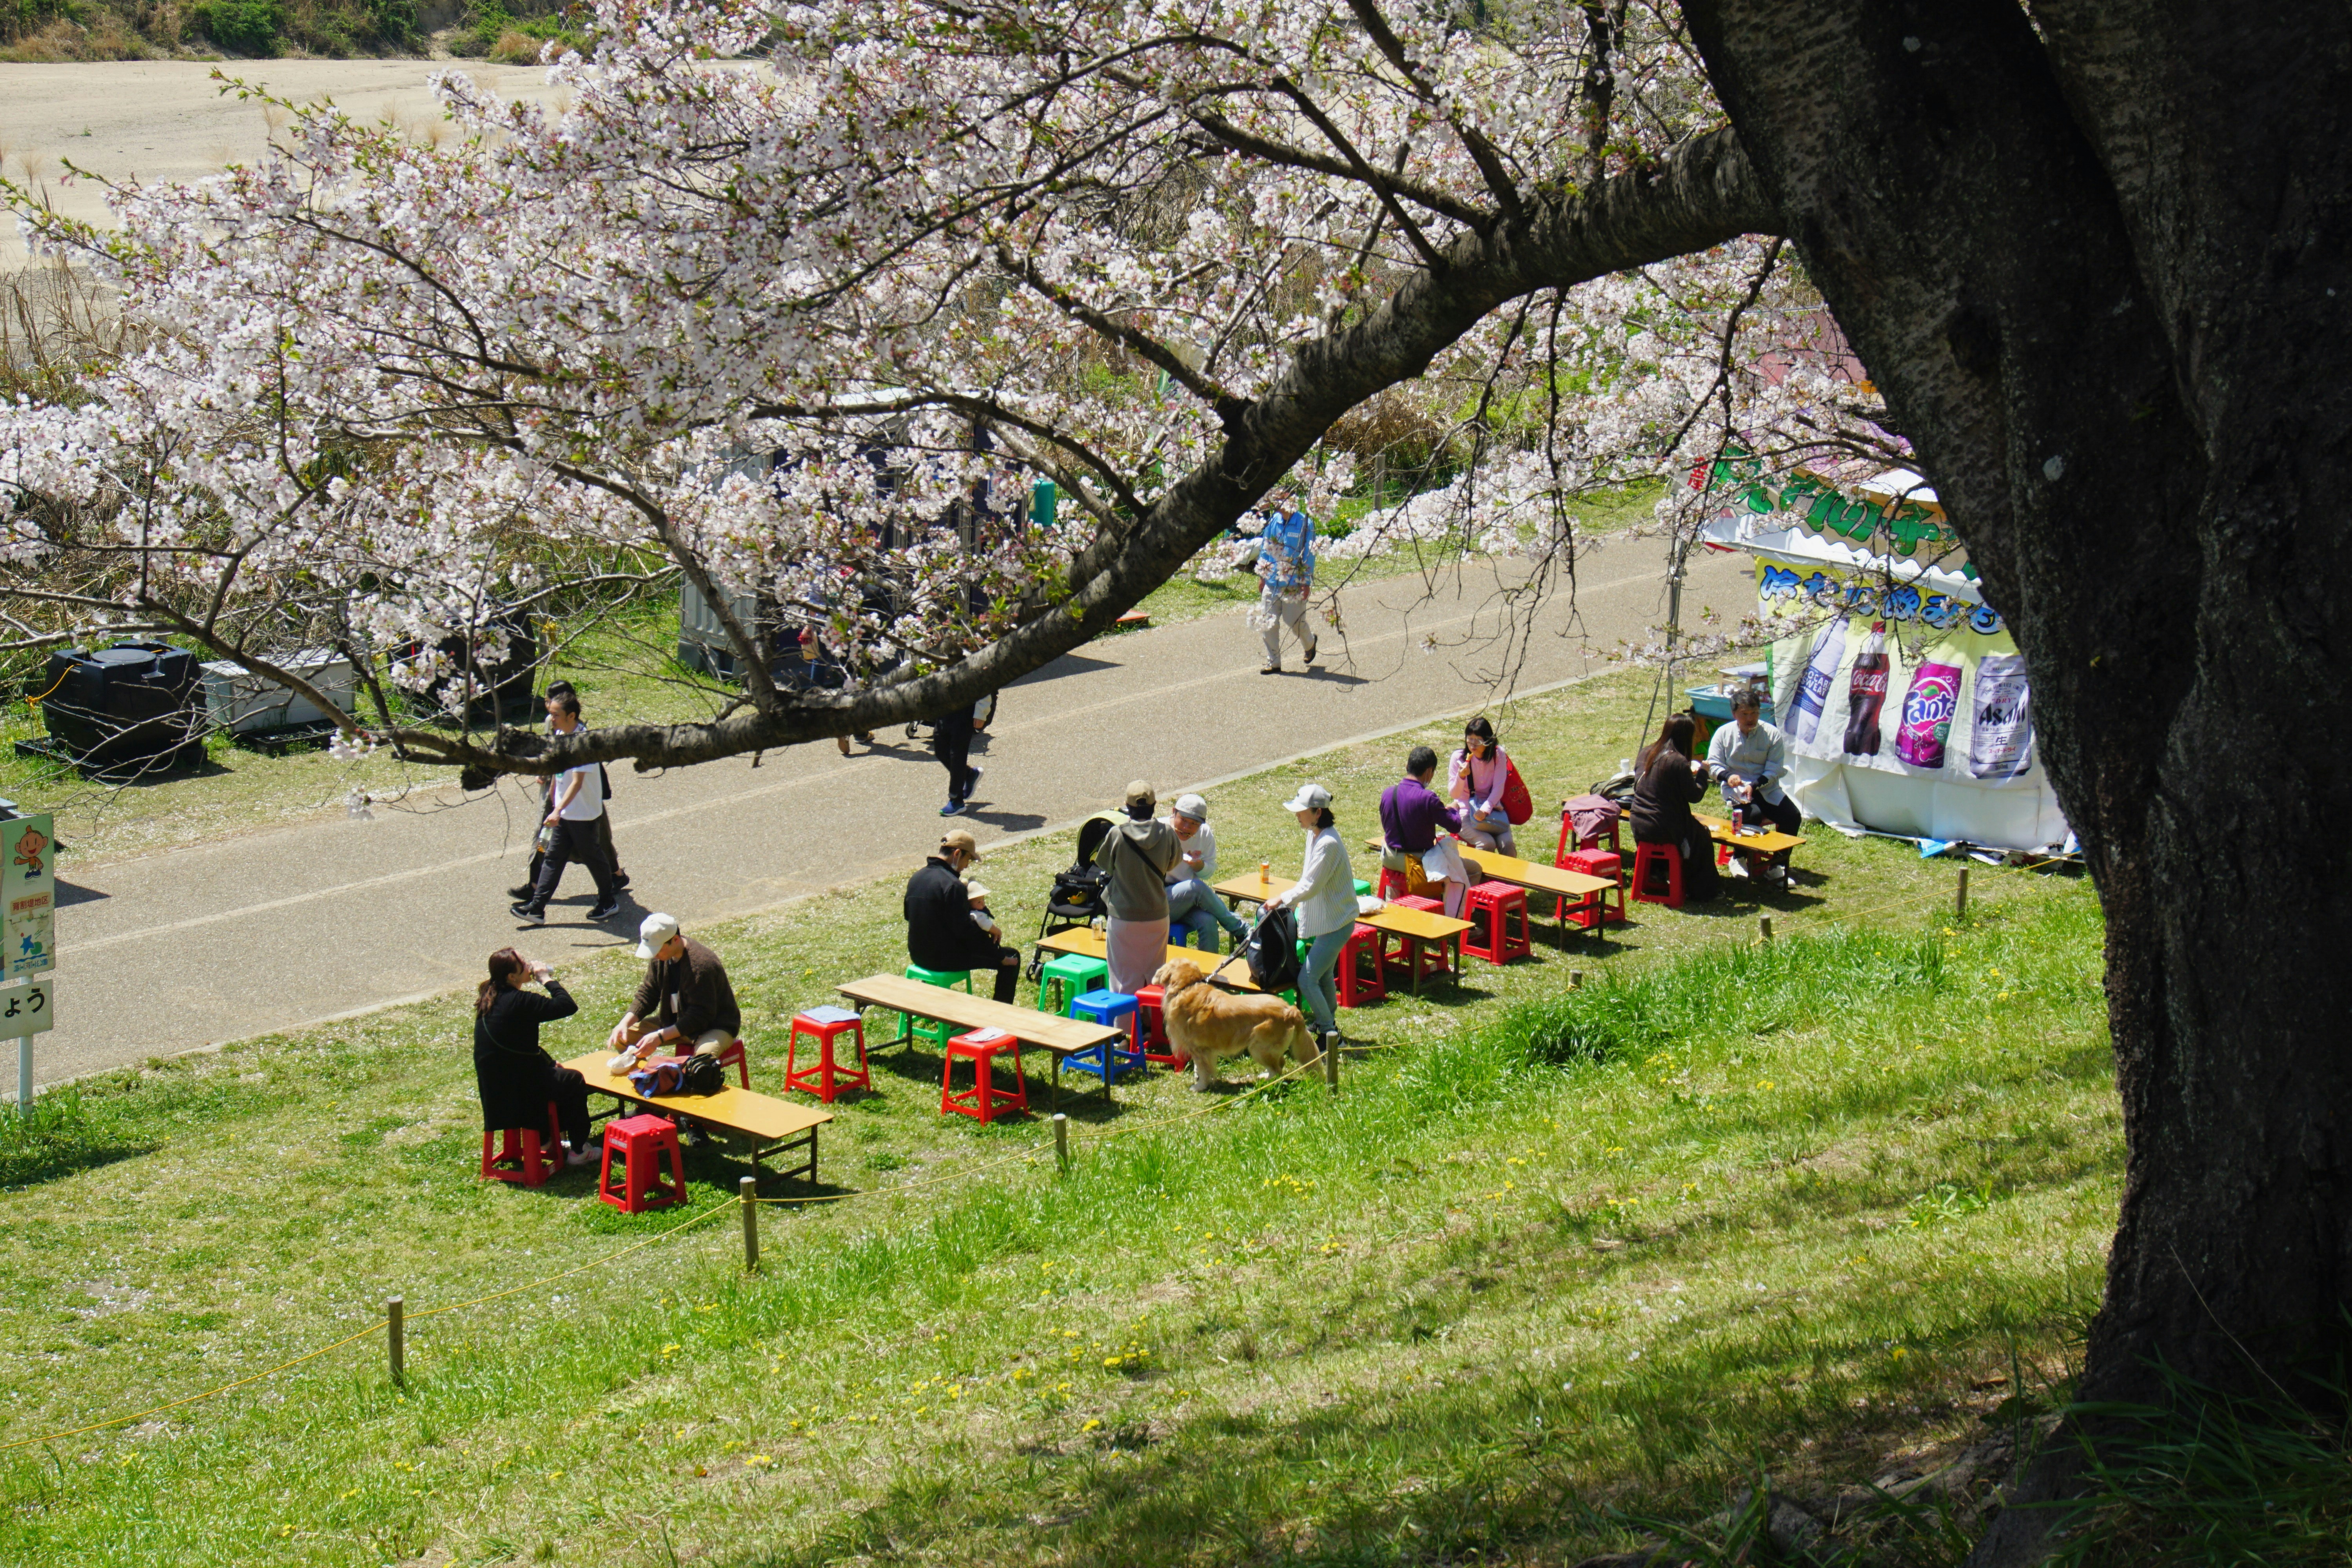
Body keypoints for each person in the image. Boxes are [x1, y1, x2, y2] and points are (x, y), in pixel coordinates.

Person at [473, 947, 599, 1167]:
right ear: (512, 976)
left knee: (555, 1075)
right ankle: (579, 1149)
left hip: (495, 1090)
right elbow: (567, 1006)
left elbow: (515, 1044)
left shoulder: (489, 998)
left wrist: (549, 1063)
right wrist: (546, 979)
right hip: (521, 1092)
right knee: (573, 1079)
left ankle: (547, 1140)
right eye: (524, 963)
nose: (529, 965)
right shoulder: (521, 1001)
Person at [510, 681, 630, 901]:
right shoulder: (558, 726)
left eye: (551, 704)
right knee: (546, 840)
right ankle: (536, 886)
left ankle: (613, 881)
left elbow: (577, 777)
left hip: (580, 799)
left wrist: (557, 806)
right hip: (559, 794)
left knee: (596, 844)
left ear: (569, 713)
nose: (548, 710)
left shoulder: (578, 735)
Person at [1264, 782, 1355, 1059]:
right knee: (1323, 974)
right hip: (1328, 919)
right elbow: (1308, 879)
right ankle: (1325, 1020)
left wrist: (1283, 899)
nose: (1297, 815)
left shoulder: (1328, 843)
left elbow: (1311, 886)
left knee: (1307, 979)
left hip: (1338, 921)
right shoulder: (1314, 836)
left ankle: (1330, 1032)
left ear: (1318, 813)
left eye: (1302, 811)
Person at [606, 912, 743, 1062]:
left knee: (700, 1064)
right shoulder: (661, 958)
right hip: (676, 1022)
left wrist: (660, 1036)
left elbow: (701, 1016)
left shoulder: (701, 965)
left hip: (712, 1026)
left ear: (676, 940)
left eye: (658, 949)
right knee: (622, 1038)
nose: (655, 955)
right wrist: (624, 1023)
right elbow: (648, 993)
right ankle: (643, 1081)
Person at [905, 828, 1022, 1002]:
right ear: (958, 854)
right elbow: (967, 934)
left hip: (918, 954)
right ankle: (1001, 1015)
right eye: (968, 859)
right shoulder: (953, 886)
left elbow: (909, 916)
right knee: (1012, 956)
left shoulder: (917, 878)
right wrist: (999, 955)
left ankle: (930, 1005)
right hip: (945, 959)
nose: (967, 865)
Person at [1705, 686, 1799, 885]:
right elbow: (1713, 764)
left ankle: (1778, 865)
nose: (1751, 719)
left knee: (1792, 816)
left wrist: (1755, 785)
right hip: (1736, 790)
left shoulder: (1771, 734)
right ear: (1734, 714)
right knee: (1751, 815)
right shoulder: (1723, 733)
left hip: (1766, 788)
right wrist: (1728, 776)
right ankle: (1738, 858)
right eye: (1745, 714)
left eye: (1755, 713)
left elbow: (1775, 769)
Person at [1094, 780, 1179, 995]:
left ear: (1127, 807)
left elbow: (1105, 865)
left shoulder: (1117, 835)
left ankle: (1124, 1027)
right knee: (1156, 978)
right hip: (1157, 914)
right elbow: (1173, 863)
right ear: (1154, 806)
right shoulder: (1168, 833)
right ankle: (1152, 1026)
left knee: (1123, 979)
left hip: (1123, 916)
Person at [1630, 713, 1722, 903]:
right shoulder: (1678, 761)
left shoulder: (1646, 752)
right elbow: (1695, 796)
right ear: (1687, 737)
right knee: (1702, 836)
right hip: (1663, 826)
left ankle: (1658, 872)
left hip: (1639, 822)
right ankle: (1702, 890)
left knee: (1693, 831)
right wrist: (1703, 773)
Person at [1379, 745, 1474, 917]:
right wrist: (1453, 809)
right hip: (1417, 861)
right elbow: (1455, 826)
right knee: (1473, 869)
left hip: (1391, 858)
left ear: (1408, 767)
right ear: (1430, 772)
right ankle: (1459, 917)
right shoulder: (1427, 798)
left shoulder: (1388, 794)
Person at [1163, 793, 1250, 954]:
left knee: (1208, 921)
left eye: (1194, 824)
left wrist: (1199, 865)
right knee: (1196, 888)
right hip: (1160, 900)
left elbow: (1209, 871)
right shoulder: (1160, 830)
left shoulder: (1205, 834)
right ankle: (1241, 929)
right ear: (1174, 812)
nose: (1186, 828)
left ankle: (1208, 976)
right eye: (1183, 820)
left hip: (1187, 899)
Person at [1252, 490, 1320, 675]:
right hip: (1272, 582)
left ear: (1292, 501)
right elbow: (1266, 549)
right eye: (1277, 500)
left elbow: (1309, 554)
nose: (1278, 503)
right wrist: (1262, 575)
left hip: (1294, 583)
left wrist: (1306, 582)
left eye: (1282, 500)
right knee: (1269, 623)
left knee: (1294, 622)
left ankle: (1310, 643)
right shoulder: (1274, 521)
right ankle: (1273, 662)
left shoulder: (1306, 524)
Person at [1448, 716, 1517, 855]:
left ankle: (1506, 877)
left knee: (1507, 844)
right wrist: (1461, 777)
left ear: (1487, 741)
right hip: (1466, 811)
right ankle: (1481, 876)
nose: (1473, 745)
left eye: (1478, 740)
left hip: (1492, 809)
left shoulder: (1498, 755)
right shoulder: (1459, 758)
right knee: (1486, 843)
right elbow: (1454, 794)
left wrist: (1486, 809)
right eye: (1470, 739)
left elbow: (1499, 786)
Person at [934, 692, 991, 817]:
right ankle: (969, 774)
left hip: (966, 709)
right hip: (946, 707)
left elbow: (983, 684)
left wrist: (981, 713)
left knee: (957, 755)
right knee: (941, 750)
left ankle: (956, 800)